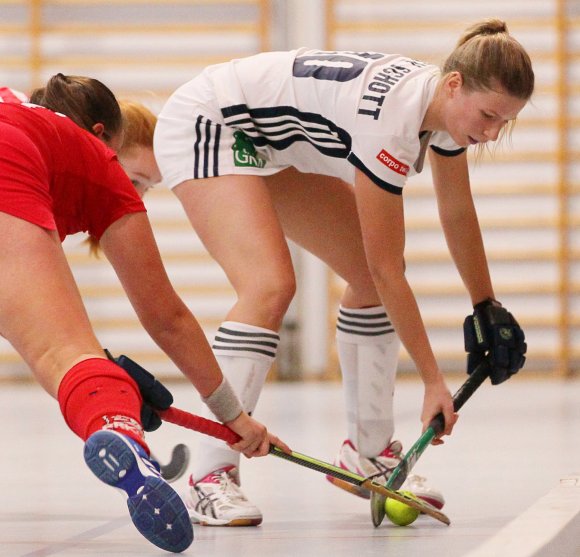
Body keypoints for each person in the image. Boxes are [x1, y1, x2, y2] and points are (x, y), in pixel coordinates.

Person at [152, 18, 531, 527]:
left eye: (504, 123)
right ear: (455, 84)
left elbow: (457, 211)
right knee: (270, 284)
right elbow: (388, 265)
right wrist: (432, 380)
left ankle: (366, 455)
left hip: (268, 142)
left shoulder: (443, 109)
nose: (490, 133)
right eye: (488, 116)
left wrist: (486, 304)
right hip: (212, 122)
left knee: (369, 284)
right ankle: (210, 475)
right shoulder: (391, 121)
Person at [0, 75, 287, 552]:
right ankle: (120, 432)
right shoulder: (93, 159)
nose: (137, 190)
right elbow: (166, 318)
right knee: (66, 355)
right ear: (104, 138)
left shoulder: (23, 109)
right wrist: (235, 417)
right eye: (138, 181)